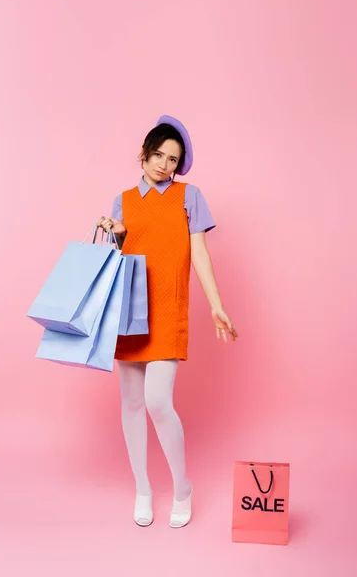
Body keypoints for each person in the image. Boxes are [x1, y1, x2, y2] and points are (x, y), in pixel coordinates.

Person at [97, 115, 238, 528]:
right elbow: (119, 259)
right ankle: (143, 488)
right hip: (129, 313)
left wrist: (216, 303)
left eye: (172, 160)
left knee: (158, 402)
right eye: (157, 155)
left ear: (179, 166)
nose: (163, 164)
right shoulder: (122, 200)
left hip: (168, 309)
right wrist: (117, 232)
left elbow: (200, 254)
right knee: (131, 404)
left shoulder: (189, 196)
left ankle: (182, 488)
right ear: (143, 154)